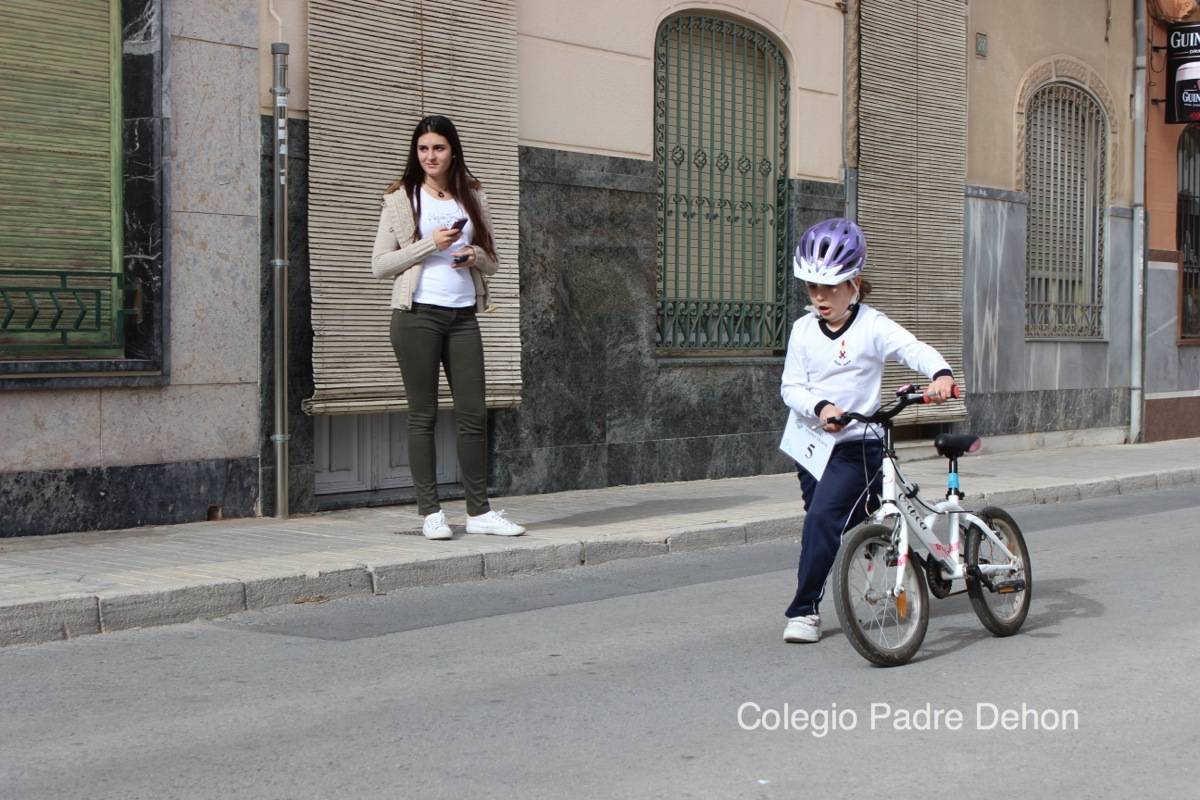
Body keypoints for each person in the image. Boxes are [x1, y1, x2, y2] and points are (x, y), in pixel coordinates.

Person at [780, 218, 956, 643]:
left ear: (854, 282)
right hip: (811, 444)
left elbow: (911, 348)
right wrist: (820, 406)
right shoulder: (803, 330)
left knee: (823, 519)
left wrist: (940, 372)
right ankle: (896, 556)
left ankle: (804, 611)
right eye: (811, 287)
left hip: (857, 445)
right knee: (836, 520)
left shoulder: (873, 325)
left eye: (831, 287)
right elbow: (791, 386)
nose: (819, 297)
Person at [371, 115, 525, 540]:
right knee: (422, 415)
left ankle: (479, 512)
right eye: (423, 149)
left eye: (438, 148)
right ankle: (431, 513)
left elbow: (492, 260)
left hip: (463, 317)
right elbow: (380, 265)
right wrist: (428, 245)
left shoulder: (471, 196)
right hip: (416, 315)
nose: (430, 156)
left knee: (473, 414)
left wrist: (474, 255)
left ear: (452, 150)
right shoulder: (402, 197)